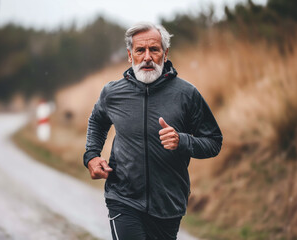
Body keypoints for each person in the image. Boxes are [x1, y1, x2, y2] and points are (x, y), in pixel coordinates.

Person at [83, 22, 223, 240]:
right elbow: (98, 121)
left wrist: (182, 141)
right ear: (130, 55)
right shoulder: (112, 93)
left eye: (154, 50)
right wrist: (91, 155)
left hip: (168, 204)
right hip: (123, 198)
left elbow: (214, 142)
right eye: (140, 50)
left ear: (165, 54)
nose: (147, 57)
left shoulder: (186, 94)